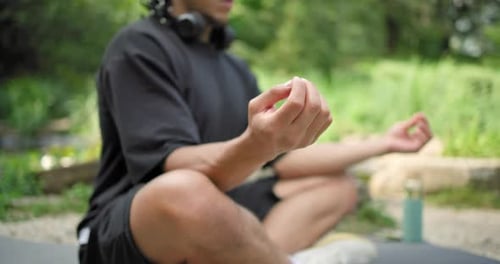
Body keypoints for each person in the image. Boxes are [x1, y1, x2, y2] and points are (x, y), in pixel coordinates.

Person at [76, 0, 433, 263]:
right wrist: (257, 144)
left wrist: (384, 143)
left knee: (336, 187)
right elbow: (179, 169)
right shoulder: (138, 47)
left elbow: (284, 161)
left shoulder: (233, 66)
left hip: (215, 207)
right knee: (186, 190)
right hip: (131, 228)